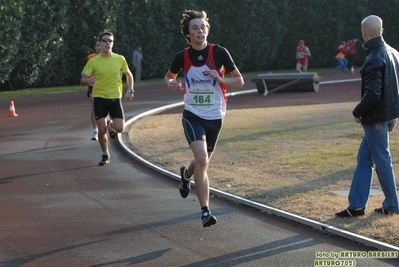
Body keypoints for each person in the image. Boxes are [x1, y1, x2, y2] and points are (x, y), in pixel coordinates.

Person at [164, 9, 244, 227]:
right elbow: (169, 76)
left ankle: (185, 176)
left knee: (203, 160)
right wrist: (169, 83)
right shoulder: (182, 56)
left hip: (215, 116)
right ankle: (205, 211)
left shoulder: (219, 53)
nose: (200, 31)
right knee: (201, 159)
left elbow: (240, 81)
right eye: (195, 28)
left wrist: (219, 77)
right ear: (188, 34)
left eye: (203, 27)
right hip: (192, 114)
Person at [336, 15, 399, 217]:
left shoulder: (373, 58)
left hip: (376, 117)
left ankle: (392, 205)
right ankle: (356, 205)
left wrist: (357, 112)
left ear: (364, 33)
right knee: (365, 158)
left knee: (381, 160)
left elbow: (373, 93)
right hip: (390, 115)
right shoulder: (393, 53)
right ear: (381, 30)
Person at [81, 31, 135, 166]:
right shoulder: (93, 61)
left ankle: (111, 126)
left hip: (115, 98)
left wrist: (130, 89)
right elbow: (82, 78)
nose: (107, 43)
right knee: (101, 129)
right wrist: (88, 81)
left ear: (113, 43)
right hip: (99, 98)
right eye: (105, 40)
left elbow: (128, 74)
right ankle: (105, 154)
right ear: (100, 43)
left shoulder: (120, 59)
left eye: (110, 41)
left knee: (120, 128)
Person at [85, 40, 102, 141]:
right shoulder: (90, 57)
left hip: (104, 86)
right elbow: (86, 71)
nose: (99, 48)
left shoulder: (109, 57)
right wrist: (88, 79)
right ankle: (95, 130)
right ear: (95, 47)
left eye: (101, 46)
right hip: (93, 85)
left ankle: (106, 119)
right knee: (94, 107)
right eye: (97, 46)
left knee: (105, 105)